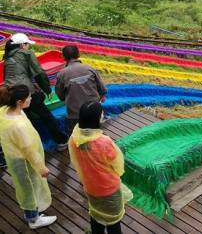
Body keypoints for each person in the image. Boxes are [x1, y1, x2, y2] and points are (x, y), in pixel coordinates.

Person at [68, 101, 132, 234]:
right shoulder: (103, 142)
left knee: (96, 215)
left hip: (90, 186)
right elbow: (117, 165)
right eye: (101, 112)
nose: (103, 114)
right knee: (113, 221)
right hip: (108, 188)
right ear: (96, 118)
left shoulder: (75, 138)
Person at [0, 85, 57, 229]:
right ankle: (33, 219)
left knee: (25, 187)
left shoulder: (5, 110)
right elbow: (29, 150)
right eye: (29, 97)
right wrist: (42, 168)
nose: (31, 98)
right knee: (29, 188)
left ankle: (31, 214)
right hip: (24, 161)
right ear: (20, 101)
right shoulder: (18, 126)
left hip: (15, 158)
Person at [3, 33, 68, 150]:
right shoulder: (27, 53)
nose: (28, 46)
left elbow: (16, 76)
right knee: (46, 116)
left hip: (11, 93)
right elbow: (39, 74)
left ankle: (29, 146)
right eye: (27, 44)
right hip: (25, 92)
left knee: (26, 119)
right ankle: (61, 141)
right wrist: (47, 90)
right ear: (22, 44)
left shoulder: (8, 56)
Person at [55, 45, 107, 136]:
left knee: (76, 137)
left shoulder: (61, 74)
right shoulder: (90, 69)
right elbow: (102, 89)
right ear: (78, 54)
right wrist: (101, 96)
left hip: (74, 114)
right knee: (95, 136)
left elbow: (61, 96)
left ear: (63, 57)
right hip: (94, 110)